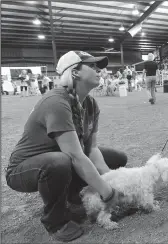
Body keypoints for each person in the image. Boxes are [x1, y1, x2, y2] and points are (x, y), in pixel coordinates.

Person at [5, 51, 128, 242]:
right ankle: (56, 221)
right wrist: (108, 193)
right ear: (75, 72)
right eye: (92, 66)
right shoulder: (57, 102)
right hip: (25, 169)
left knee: (117, 159)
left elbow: (91, 149)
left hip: (62, 158)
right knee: (60, 162)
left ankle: (72, 195)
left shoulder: (91, 104)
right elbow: (75, 156)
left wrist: (112, 180)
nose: (99, 70)